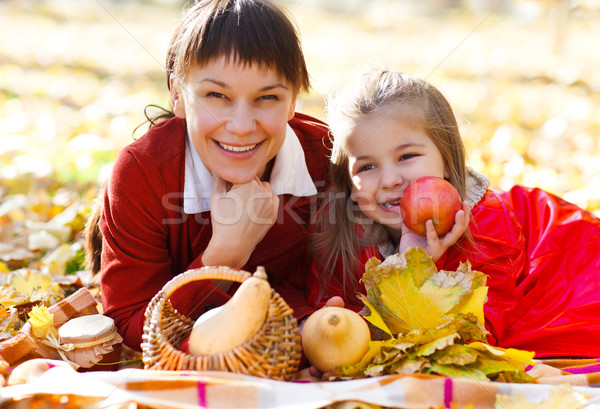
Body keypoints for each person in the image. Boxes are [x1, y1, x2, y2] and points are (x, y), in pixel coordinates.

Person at [307, 68, 600, 359]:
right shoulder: (342, 232)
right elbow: (326, 319)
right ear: (348, 181)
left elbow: (474, 338)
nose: (389, 180)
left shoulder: (485, 225)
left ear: (447, 160)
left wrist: (412, 270)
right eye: (366, 167)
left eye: (406, 157)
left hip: (552, 279)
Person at [96, 0, 333, 350]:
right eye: (216, 95)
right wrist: (221, 258)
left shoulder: (329, 160)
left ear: (293, 99)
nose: (240, 126)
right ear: (178, 95)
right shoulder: (142, 173)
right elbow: (132, 329)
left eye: (267, 97)